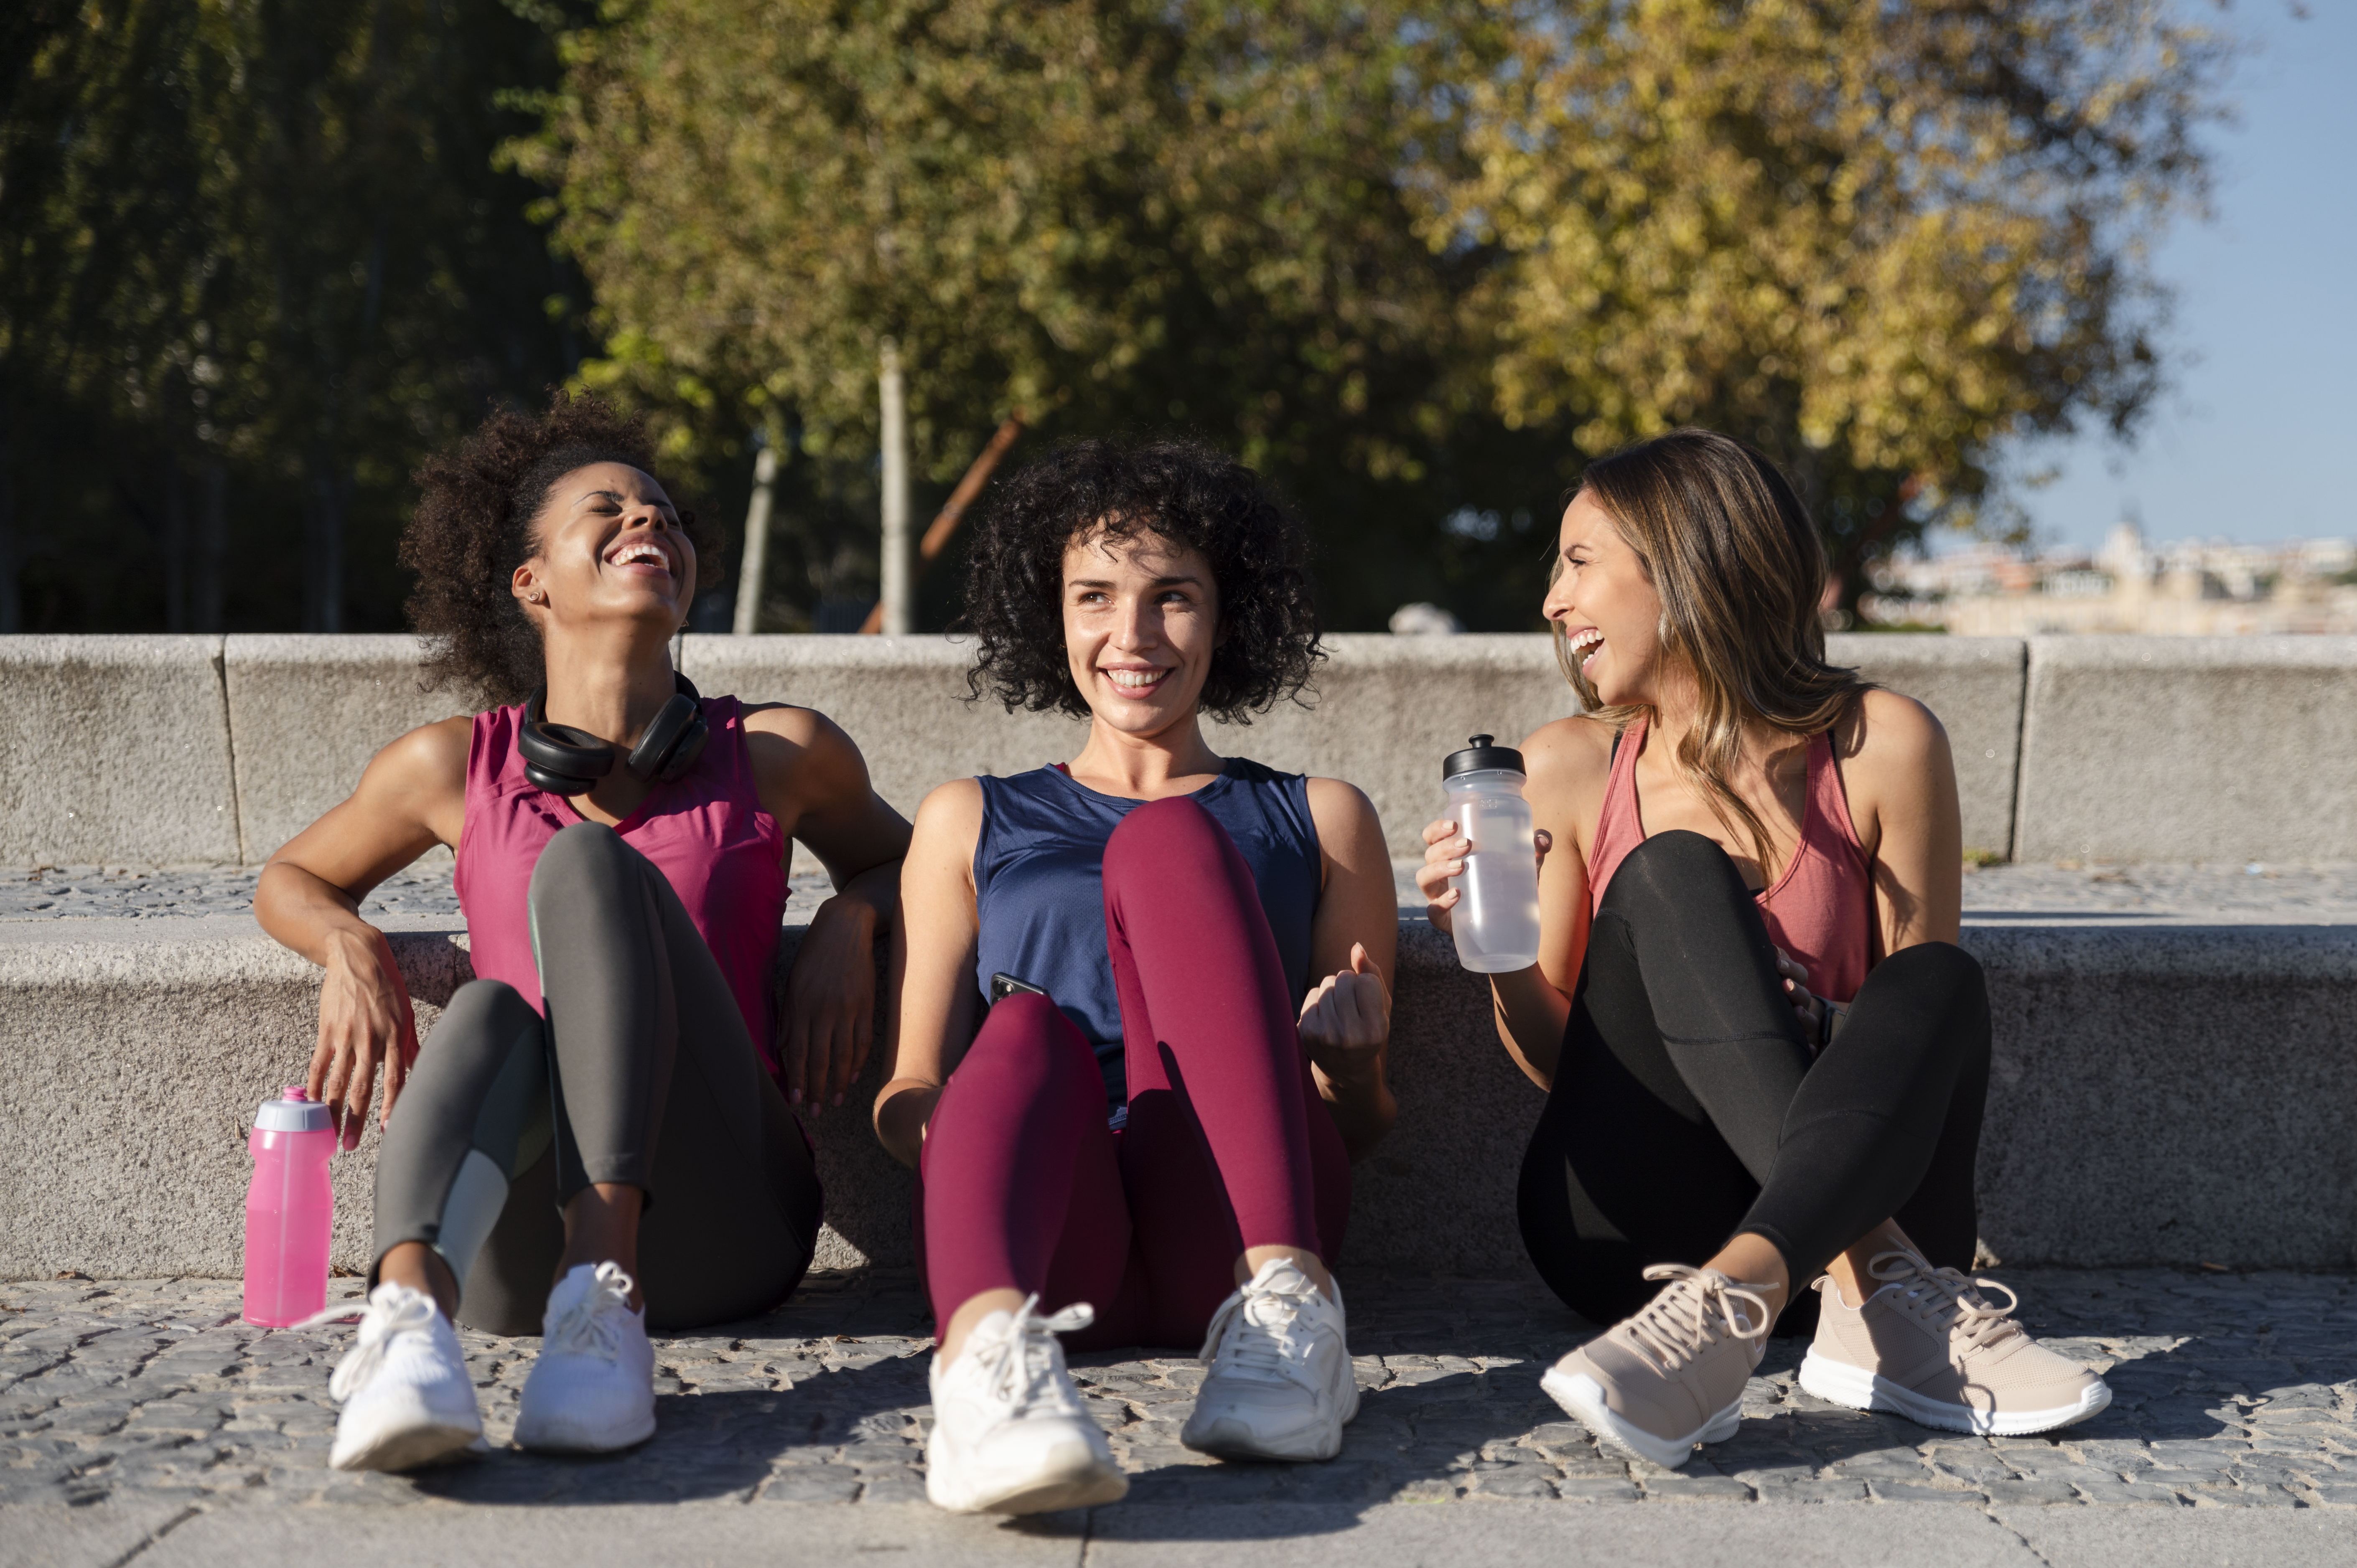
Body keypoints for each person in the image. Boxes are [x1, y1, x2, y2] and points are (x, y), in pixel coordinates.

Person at [1415, 429, 2110, 1471]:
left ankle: (1757, 1295)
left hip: (1851, 1187)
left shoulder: (1883, 743)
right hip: (1640, 1228)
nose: (1554, 601)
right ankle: (1865, 1282)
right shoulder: (1564, 766)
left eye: (1579, 561)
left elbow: (1914, 1047)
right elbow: (1571, 1070)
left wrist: (1813, 1021)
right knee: (1670, 870)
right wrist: (1500, 954)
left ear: (1683, 564)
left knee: (1940, 976)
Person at [256, 393, 910, 1472]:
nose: (648, 519)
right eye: (607, 508)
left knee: (588, 865)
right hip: (509, 1255)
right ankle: (409, 1327)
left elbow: (918, 861)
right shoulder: (450, 764)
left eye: (665, 514)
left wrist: (855, 910)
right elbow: (292, 878)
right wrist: (348, 945)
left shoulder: (780, 751)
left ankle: (605, 1290)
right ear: (532, 582)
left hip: (730, 1220)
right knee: (489, 1008)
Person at [881, 438, 1399, 1515]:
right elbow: (910, 1088)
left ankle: (1292, 1311)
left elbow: (1356, 1125)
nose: (1133, 634)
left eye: (1173, 597)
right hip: (1061, 1231)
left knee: (1166, 841)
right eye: (1095, 597)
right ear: (1052, 615)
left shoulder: (1320, 816)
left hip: (1236, 1216)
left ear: (1226, 616)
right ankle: (983, 1372)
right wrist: (981, 1142)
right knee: (1023, 1031)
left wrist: (1347, 1069)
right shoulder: (968, 816)